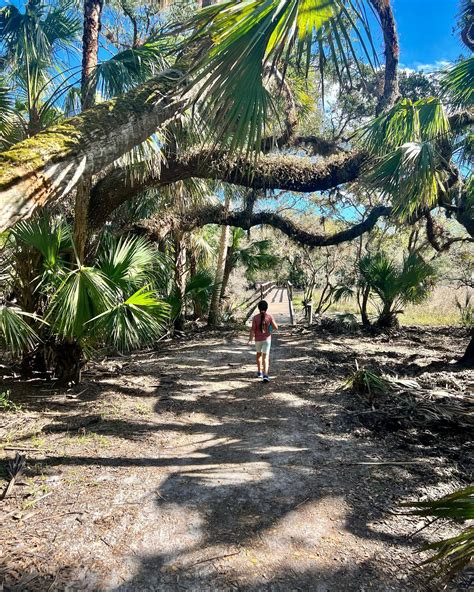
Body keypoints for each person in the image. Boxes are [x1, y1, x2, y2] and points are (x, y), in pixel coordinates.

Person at [248, 300, 278, 382]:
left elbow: (253, 330)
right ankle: (266, 375)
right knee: (266, 357)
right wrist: (270, 326)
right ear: (267, 308)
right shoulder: (269, 317)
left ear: (258, 308)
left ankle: (259, 372)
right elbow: (276, 327)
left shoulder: (255, 318)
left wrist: (250, 340)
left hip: (258, 339)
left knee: (258, 355)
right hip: (267, 339)